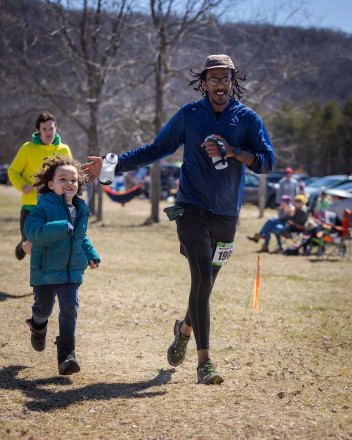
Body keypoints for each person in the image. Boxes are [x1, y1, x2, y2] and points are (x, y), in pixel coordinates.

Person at [82, 54, 275, 384]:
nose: (220, 84)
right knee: (200, 280)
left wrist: (233, 152)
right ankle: (205, 363)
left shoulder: (246, 118)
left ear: (233, 81)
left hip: (228, 215)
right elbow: (155, 149)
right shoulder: (190, 115)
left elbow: (267, 162)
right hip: (191, 210)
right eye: (213, 79)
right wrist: (112, 165)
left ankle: (184, 329)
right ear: (203, 82)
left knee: (206, 286)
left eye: (225, 78)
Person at [24, 155, 100, 375]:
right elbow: (33, 233)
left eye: (74, 180)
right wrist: (61, 226)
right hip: (46, 270)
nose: (69, 183)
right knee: (44, 308)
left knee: (69, 308)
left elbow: (81, 237)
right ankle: (38, 326)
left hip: (72, 270)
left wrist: (91, 255)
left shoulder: (80, 209)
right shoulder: (43, 207)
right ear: (51, 184)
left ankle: (67, 356)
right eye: (62, 179)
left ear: (79, 184)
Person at [8, 112, 72, 260]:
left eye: (51, 128)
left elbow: (69, 175)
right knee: (31, 247)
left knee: (53, 245)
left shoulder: (64, 150)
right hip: (31, 205)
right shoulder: (27, 149)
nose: (48, 132)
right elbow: (13, 171)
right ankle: (23, 246)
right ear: (38, 130)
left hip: (54, 205)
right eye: (44, 129)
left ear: (56, 128)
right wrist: (23, 186)